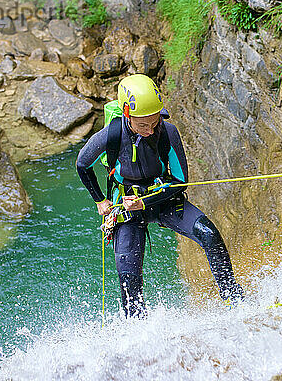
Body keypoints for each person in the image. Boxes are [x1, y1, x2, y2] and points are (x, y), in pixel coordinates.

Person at [76, 74, 244, 318]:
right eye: (143, 125)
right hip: (126, 205)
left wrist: (144, 201)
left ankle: (234, 299)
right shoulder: (110, 136)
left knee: (209, 234)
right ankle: (139, 329)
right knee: (128, 277)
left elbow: (179, 182)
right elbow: (82, 164)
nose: (150, 129)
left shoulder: (167, 132)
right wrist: (100, 200)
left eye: (154, 122)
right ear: (126, 114)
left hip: (163, 199)